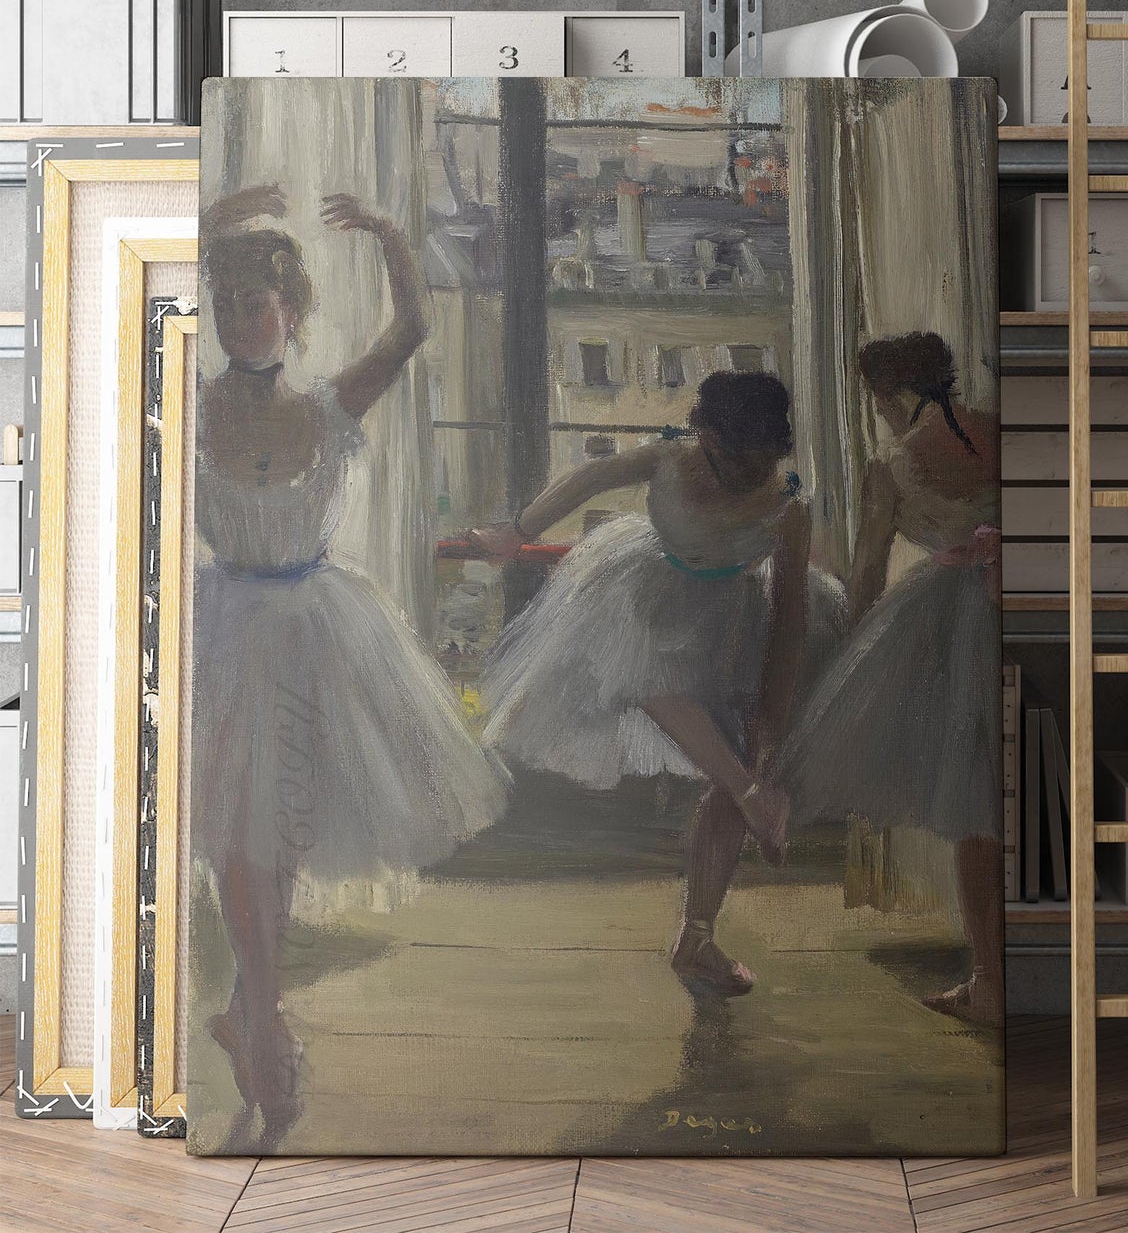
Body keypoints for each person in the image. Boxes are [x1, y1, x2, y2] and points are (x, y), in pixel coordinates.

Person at [195, 184, 511, 1148]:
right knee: (231, 831)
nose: (244, 318)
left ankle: (252, 1011)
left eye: (261, 302)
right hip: (223, 628)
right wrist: (207, 227)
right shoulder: (182, 395)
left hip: (315, 628)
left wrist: (387, 232)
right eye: (229, 302)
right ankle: (264, 1022)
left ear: (292, 314)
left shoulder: (330, 406)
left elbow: (413, 327)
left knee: (278, 831)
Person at [470, 371, 843, 997]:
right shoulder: (670, 457)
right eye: (734, 460)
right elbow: (587, 478)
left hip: (729, 627)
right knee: (644, 671)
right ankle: (751, 793)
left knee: (736, 767)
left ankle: (697, 936)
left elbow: (787, 626)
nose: (750, 475)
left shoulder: (788, 508)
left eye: (763, 462)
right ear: (705, 436)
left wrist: (768, 732)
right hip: (646, 596)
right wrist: (519, 531)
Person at [773, 332, 1005, 1028]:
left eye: (875, 401)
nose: (877, 414)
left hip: (952, 624)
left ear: (890, 395)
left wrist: (846, 652)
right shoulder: (1004, 429)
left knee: (975, 809)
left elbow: (869, 572)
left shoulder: (892, 465)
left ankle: (990, 980)